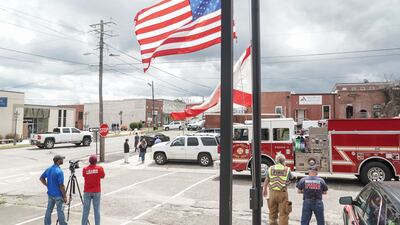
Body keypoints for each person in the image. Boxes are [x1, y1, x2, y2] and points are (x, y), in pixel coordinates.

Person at [262, 154, 294, 225]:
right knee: (284, 213)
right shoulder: (287, 169)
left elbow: (267, 180)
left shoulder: (270, 168)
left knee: (272, 212)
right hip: (282, 193)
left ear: (276, 160)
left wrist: (264, 190)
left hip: (272, 193)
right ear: (284, 161)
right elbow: (291, 178)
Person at [40, 155, 68, 225]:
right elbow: (61, 185)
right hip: (58, 195)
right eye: (62, 159)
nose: (62, 160)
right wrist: (64, 196)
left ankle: (47, 223)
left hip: (50, 194)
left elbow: (41, 178)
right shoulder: (59, 171)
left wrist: (47, 185)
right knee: (60, 211)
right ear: (58, 161)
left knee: (49, 210)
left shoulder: (49, 169)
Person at [81, 155, 105, 225]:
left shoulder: (85, 169)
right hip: (96, 191)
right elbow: (102, 176)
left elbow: (84, 175)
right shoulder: (99, 168)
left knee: (86, 210)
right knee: (96, 210)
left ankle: (84, 223)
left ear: (89, 161)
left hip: (87, 191)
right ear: (96, 161)